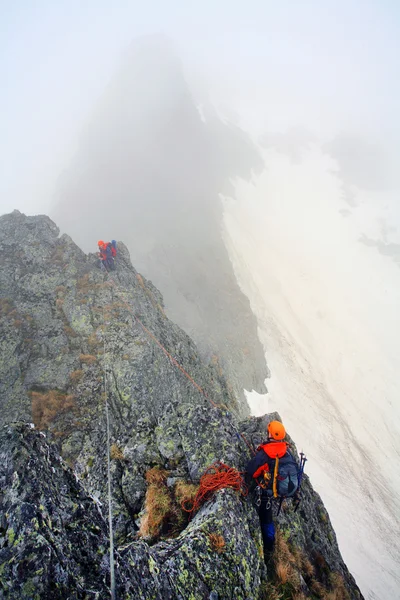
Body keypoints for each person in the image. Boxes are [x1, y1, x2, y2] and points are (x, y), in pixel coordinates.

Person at [245, 420, 288, 563]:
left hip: (266, 494)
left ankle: (269, 550)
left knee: (265, 519)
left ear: (270, 434)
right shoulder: (284, 451)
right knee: (267, 518)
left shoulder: (266, 454)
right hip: (277, 492)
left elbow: (251, 470)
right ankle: (270, 546)